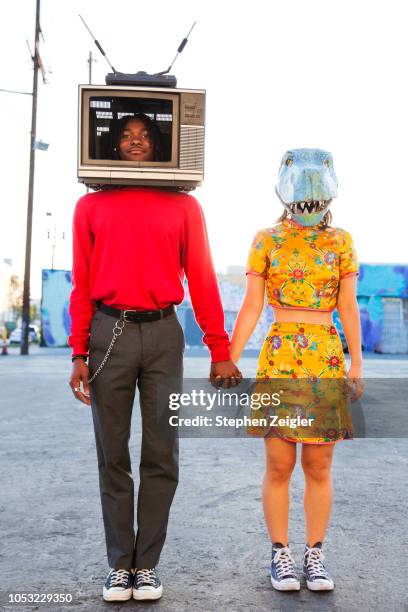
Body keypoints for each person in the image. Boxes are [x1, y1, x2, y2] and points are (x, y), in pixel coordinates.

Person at [68, 173, 242, 600]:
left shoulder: (184, 207)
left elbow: (201, 277)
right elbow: (83, 282)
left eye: (145, 135)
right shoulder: (90, 206)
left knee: (162, 452)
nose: (136, 142)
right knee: (112, 454)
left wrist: (219, 349)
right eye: (126, 135)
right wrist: (77, 352)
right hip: (110, 331)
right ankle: (118, 566)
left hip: (165, 332)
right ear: (111, 145)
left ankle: (145, 566)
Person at [230, 148, 363, 592]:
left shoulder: (341, 241)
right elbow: (252, 306)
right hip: (280, 356)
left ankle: (316, 554)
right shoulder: (265, 239)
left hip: (325, 357)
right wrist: (227, 356)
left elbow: (347, 306)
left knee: (320, 465)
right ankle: (280, 554)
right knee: (279, 465)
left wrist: (356, 362)